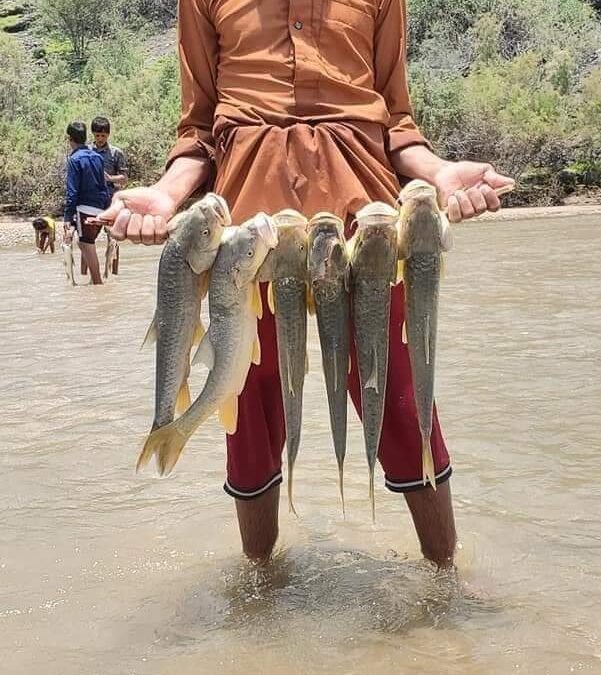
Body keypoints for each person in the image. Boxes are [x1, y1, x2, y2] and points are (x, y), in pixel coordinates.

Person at [100, 0, 515, 566]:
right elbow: (198, 131)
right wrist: (167, 196)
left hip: (365, 228)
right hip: (252, 238)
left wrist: (441, 173)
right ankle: (261, 585)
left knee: (397, 394)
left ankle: (446, 581)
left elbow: (397, 123)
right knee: (247, 402)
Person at [63, 121, 110, 285]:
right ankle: (93, 281)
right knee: (86, 243)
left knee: (85, 244)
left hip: (84, 208)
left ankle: (97, 284)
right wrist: (107, 209)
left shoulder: (74, 159)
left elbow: (72, 192)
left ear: (70, 139)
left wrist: (67, 218)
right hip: (100, 207)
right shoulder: (97, 157)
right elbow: (103, 185)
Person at [91, 116, 128, 275]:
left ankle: (114, 274)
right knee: (88, 239)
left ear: (108, 135)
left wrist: (109, 178)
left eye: (103, 136)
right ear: (93, 134)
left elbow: (124, 179)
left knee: (113, 238)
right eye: (97, 136)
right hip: (91, 200)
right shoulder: (87, 152)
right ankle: (92, 275)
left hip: (111, 201)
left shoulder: (116, 153)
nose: (100, 139)